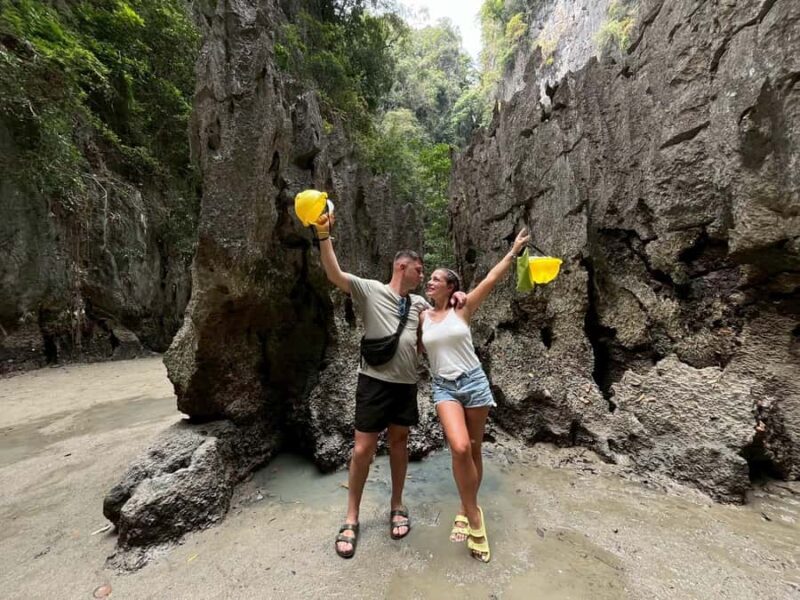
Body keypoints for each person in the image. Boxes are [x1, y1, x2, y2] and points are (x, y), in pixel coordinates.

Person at [312, 212, 466, 559]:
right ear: (402, 267)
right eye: (419, 269)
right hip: (373, 382)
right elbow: (334, 273)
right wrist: (324, 234)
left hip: (405, 385)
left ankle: (397, 504)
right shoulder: (371, 290)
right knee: (363, 450)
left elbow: (444, 312)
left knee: (399, 443)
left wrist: (460, 297)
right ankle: (351, 517)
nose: (423, 275)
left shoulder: (419, 304)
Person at [420, 228, 530, 563]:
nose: (431, 282)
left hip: (474, 383)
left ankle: (464, 508)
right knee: (460, 447)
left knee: (475, 450)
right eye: (431, 279)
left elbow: (491, 279)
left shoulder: (461, 310)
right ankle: (475, 518)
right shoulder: (422, 315)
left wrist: (513, 253)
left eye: (437, 279)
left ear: (451, 287)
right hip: (444, 387)